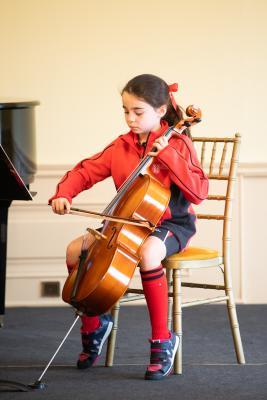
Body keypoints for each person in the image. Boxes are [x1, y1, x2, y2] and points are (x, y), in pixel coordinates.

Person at [49, 74, 209, 380]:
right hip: (125, 223)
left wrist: (170, 157)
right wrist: (63, 193)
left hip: (170, 224)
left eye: (138, 112)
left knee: (149, 252)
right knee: (75, 249)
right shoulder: (121, 146)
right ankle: (95, 325)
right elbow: (86, 171)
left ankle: (163, 339)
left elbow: (199, 192)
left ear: (161, 111)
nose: (130, 119)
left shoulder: (178, 143)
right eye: (125, 111)